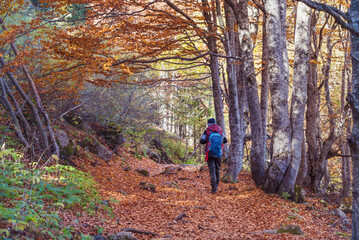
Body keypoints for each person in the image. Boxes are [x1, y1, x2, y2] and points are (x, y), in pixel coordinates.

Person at [200, 118, 227, 193]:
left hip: (210, 153)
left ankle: (214, 188)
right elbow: (225, 140)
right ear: (215, 123)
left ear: (208, 123)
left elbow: (202, 141)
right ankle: (217, 185)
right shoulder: (220, 130)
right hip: (218, 153)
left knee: (212, 170)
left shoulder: (207, 130)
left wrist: (207, 141)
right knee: (217, 169)